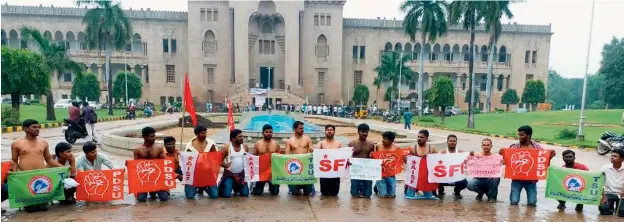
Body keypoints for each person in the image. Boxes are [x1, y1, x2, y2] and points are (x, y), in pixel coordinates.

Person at [11, 119, 64, 212]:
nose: (37, 129)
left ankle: (42, 203)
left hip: (41, 175)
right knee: (30, 206)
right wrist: (14, 174)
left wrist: (62, 167)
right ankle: (28, 205)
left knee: (43, 206)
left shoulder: (43, 143)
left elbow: (49, 159)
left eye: (38, 127)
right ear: (26, 129)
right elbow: (14, 161)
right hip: (25, 176)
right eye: (34, 127)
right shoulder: (16, 144)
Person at [501, 125, 555, 206]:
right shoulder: (514, 147)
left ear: (528, 135)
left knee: (532, 203)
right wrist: (502, 156)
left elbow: (543, 163)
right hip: (517, 179)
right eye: (519, 135)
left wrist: (550, 156)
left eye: (522, 135)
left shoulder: (537, 148)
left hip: (531, 181)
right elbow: (506, 162)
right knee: (514, 202)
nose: (519, 137)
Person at [133, 127, 169, 202]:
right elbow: (135, 167)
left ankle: (154, 191)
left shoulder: (159, 148)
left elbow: (164, 164)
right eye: (152, 136)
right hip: (145, 177)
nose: (154, 138)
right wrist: (128, 164)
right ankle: (150, 191)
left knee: (164, 198)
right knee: (141, 199)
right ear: (144, 137)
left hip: (156, 176)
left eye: (154, 136)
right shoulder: (137, 150)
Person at [184, 126, 220, 199]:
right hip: (194, 174)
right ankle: (192, 187)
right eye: (202, 133)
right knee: (190, 196)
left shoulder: (211, 143)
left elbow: (216, 157)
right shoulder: (189, 146)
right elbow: (187, 161)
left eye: (205, 132)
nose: (205, 134)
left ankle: (204, 187)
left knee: (215, 195)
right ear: (197, 134)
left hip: (208, 173)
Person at [405, 129, 439, 200]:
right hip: (414, 177)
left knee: (429, 197)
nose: (419, 139)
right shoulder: (413, 149)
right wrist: (405, 157)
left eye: (421, 137)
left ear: (426, 138)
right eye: (418, 137)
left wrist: (431, 155)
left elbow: (437, 162)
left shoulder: (431, 149)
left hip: (425, 178)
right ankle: (409, 188)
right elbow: (407, 163)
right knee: (409, 196)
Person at [285, 121, 314, 195]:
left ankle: (309, 186)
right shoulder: (289, 141)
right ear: (295, 129)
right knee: (295, 192)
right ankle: (293, 187)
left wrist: (312, 150)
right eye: (300, 128)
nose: (302, 130)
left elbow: (311, 149)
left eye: (303, 128)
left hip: (305, 166)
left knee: (308, 191)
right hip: (295, 166)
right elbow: (286, 155)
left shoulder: (307, 139)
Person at [436, 135, 469, 199]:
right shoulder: (442, 152)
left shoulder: (460, 152)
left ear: (456, 142)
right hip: (444, 175)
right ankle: (440, 190)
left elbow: (469, 156)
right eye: (450, 141)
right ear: (447, 142)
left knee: (464, 183)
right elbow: (436, 160)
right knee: (434, 178)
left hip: (456, 175)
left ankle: (457, 191)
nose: (452, 142)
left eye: (454, 141)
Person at [219, 129, 250, 198]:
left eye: (242, 136)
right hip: (229, 174)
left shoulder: (245, 147)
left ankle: (236, 186)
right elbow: (218, 160)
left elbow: (247, 160)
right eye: (239, 137)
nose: (242, 138)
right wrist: (225, 165)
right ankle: (225, 184)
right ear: (233, 139)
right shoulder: (227, 147)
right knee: (226, 195)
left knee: (245, 194)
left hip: (241, 175)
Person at [251, 124, 281, 195]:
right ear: (262, 133)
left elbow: (279, 158)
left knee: (275, 193)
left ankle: (271, 187)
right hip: (261, 172)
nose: (268, 134)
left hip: (272, 172)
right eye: (266, 132)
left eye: (270, 132)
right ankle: (258, 186)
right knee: (257, 193)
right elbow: (254, 157)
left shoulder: (276, 144)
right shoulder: (258, 144)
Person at [316, 125, 344, 196]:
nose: (329, 131)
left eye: (331, 130)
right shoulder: (321, 143)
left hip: (335, 171)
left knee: (334, 193)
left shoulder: (339, 143)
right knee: (324, 193)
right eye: (327, 130)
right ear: (325, 132)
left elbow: (344, 155)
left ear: (334, 132)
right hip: (324, 172)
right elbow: (316, 153)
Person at [349, 124, 375, 198]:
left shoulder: (371, 144)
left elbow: (375, 156)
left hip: (367, 169)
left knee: (368, 195)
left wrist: (372, 155)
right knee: (354, 194)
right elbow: (347, 156)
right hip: (356, 169)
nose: (364, 134)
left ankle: (374, 189)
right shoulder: (352, 143)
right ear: (358, 132)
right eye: (362, 131)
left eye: (366, 132)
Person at [374, 131, 400, 198]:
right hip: (380, 174)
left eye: (385, 139)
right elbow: (375, 157)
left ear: (391, 141)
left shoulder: (396, 148)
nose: (383, 141)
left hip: (391, 174)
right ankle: (378, 186)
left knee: (392, 196)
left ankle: (377, 186)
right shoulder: (378, 146)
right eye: (383, 138)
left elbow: (399, 159)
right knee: (383, 196)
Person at [599, 149, 624, 217]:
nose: (612, 157)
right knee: (603, 209)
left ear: (622, 159)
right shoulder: (605, 168)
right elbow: (600, 182)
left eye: (615, 156)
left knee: (622, 213)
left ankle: (618, 209)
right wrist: (603, 195)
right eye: (611, 155)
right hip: (608, 193)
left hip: (622, 194)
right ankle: (610, 208)